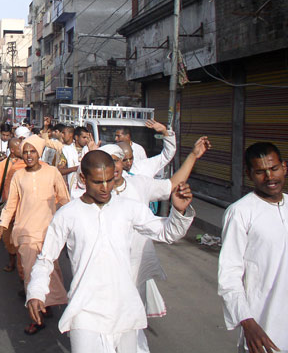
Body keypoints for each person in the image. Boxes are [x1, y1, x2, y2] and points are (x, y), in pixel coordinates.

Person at [26, 150, 196, 353]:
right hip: (85, 309)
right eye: (98, 182)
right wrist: (36, 292)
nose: (106, 188)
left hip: (124, 308)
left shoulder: (129, 208)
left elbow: (167, 233)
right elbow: (46, 259)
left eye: (109, 180)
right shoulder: (67, 215)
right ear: (83, 178)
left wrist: (179, 212)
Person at [99, 138, 210, 353]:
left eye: (117, 161)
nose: (113, 167)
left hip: (135, 265)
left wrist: (193, 156)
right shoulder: (95, 194)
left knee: (131, 320)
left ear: (124, 163)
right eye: (108, 162)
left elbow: (171, 185)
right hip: (106, 268)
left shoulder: (139, 184)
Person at [0, 134, 70, 335]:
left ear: (39, 153)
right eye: (25, 152)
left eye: (32, 151)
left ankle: (48, 304)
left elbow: (64, 200)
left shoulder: (53, 172)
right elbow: (11, 204)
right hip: (26, 233)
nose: (28, 155)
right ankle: (36, 319)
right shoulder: (18, 176)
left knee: (51, 272)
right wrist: (2, 225)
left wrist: (72, 228)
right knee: (30, 274)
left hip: (49, 233)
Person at [218, 142, 288, 353]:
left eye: (274, 169)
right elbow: (229, 275)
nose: (269, 177)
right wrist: (247, 321)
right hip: (264, 334)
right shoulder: (240, 212)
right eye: (260, 172)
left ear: (284, 167)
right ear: (249, 174)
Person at [0, 137, 26, 273]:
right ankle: (12, 261)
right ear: (12, 150)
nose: (22, 151)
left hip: (23, 207)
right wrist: (0, 200)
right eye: (19, 148)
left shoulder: (26, 164)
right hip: (9, 206)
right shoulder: (3, 165)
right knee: (9, 238)